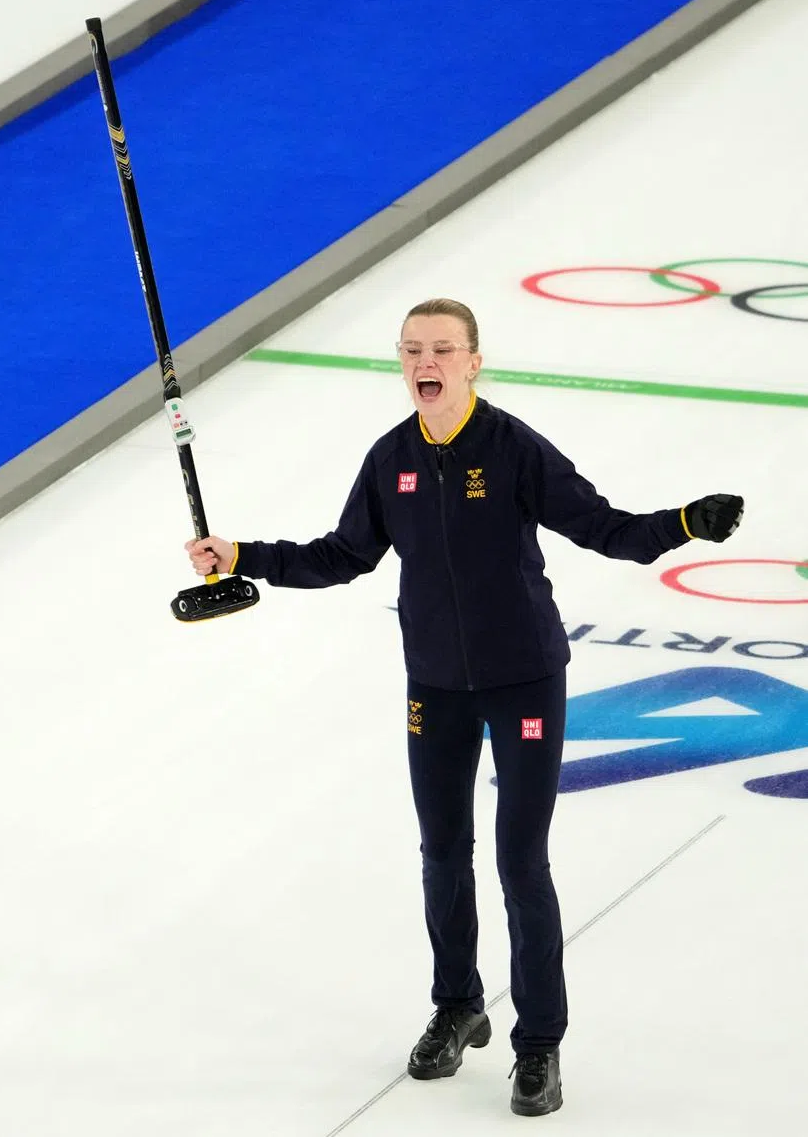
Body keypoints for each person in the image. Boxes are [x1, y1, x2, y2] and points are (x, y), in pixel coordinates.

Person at [185, 297, 744, 1118]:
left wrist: (686, 523)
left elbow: (606, 529)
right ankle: (458, 1005)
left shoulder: (512, 448)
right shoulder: (391, 459)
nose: (426, 361)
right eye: (412, 348)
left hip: (524, 678)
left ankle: (540, 1044)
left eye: (443, 348)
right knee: (443, 852)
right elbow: (344, 556)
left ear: (475, 361)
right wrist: (242, 556)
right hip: (436, 684)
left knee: (521, 861)